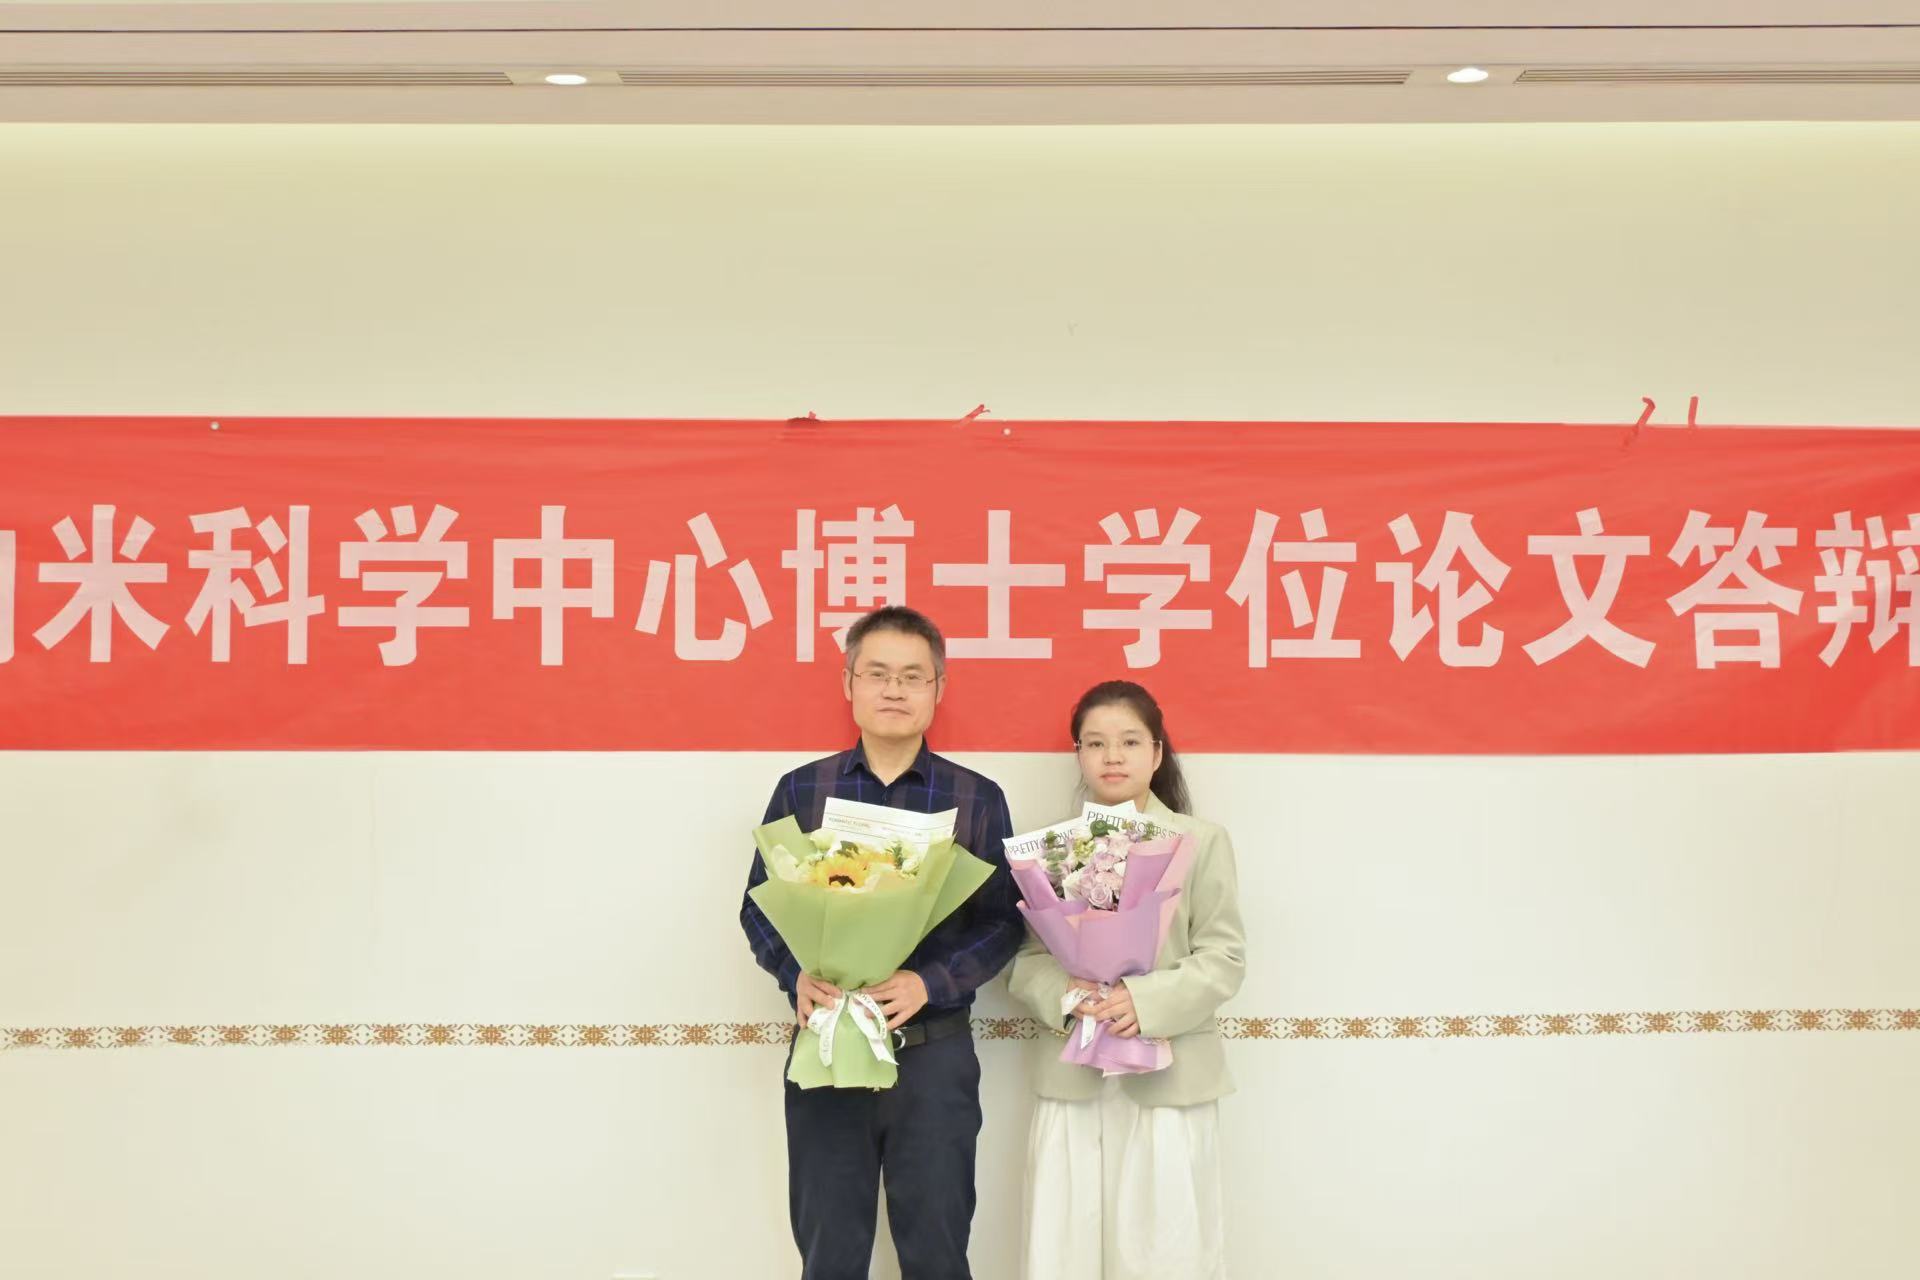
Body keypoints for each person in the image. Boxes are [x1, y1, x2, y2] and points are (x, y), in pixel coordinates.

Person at [739, 605, 1021, 1280]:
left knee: (938, 1251)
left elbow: (1005, 921)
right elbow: (760, 907)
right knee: (829, 1252)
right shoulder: (802, 789)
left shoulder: (976, 798)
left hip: (934, 1054)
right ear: (849, 683)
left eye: (913, 676)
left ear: (938, 689)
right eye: (877, 673)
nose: (895, 690)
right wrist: (795, 976)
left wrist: (931, 982)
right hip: (828, 1045)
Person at [1008, 679, 1247, 1280]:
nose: (1112, 756)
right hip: (1074, 1075)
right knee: (1066, 1250)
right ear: (1078, 754)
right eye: (1095, 743)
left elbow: (1223, 956)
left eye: (1130, 742)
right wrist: (1071, 996)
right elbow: (1029, 958)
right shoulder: (1050, 849)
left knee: (1165, 1253)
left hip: (1169, 1079)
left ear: (1157, 753)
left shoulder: (1201, 840)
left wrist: (1141, 1001)